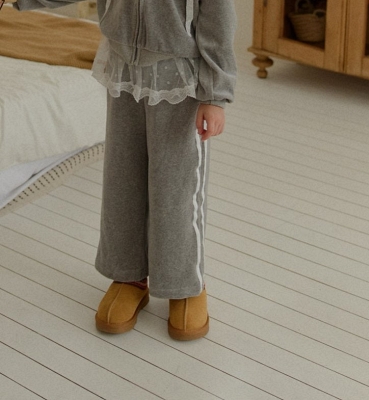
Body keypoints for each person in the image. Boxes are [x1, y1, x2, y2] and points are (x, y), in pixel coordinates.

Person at [8, 0, 237, 341]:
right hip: (124, 69)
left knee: (176, 188)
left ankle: (186, 284)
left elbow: (219, 22)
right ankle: (129, 276)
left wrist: (216, 95)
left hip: (181, 77)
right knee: (123, 181)